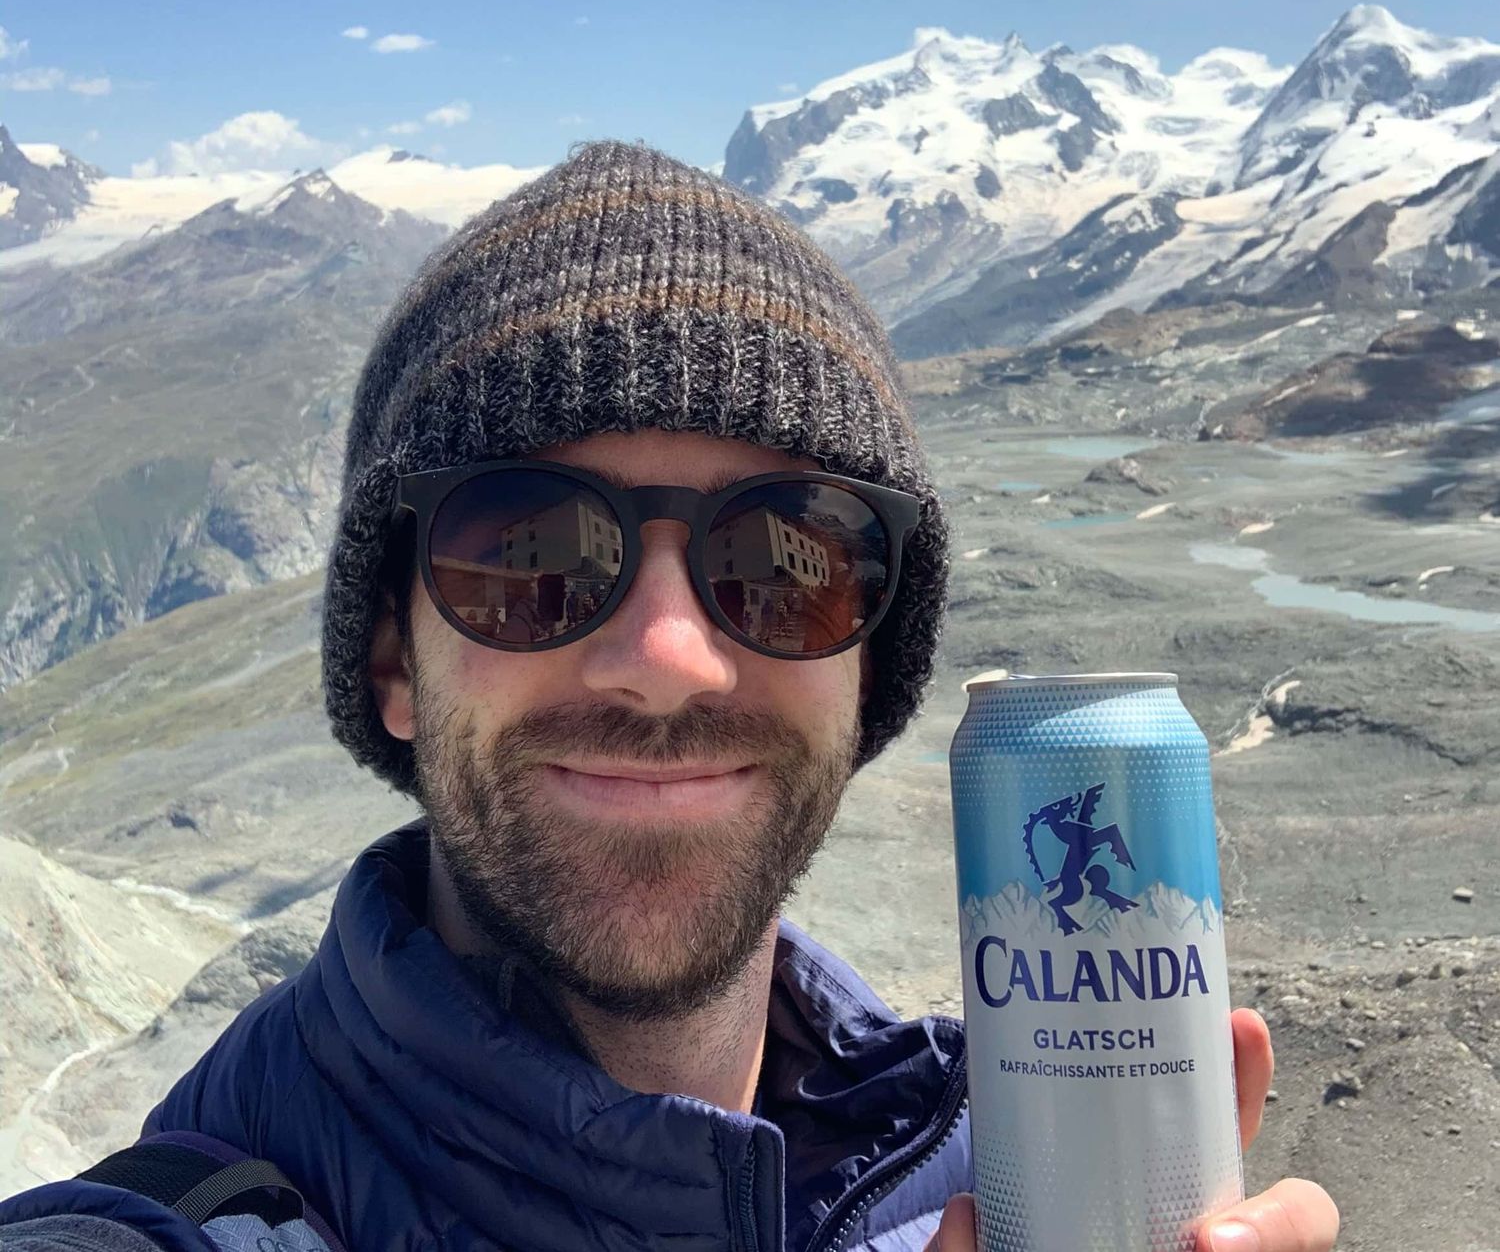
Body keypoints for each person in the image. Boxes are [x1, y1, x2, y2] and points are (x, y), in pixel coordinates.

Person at [0, 141, 1338, 1251]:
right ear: (392, 663)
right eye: (524, 551)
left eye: (785, 562)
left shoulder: (1007, 1182)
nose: (666, 656)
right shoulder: (189, 1214)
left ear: (866, 665)